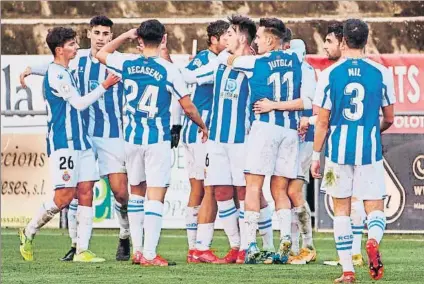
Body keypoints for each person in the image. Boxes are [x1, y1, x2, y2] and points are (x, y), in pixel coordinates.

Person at [20, 15, 132, 262]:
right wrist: (31, 68)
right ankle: (75, 245)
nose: (102, 38)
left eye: (106, 34)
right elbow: (55, 68)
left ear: (111, 36)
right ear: (90, 34)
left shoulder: (119, 62)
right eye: (97, 33)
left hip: (110, 135)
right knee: (71, 195)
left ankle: (122, 235)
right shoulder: (76, 60)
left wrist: (32, 69)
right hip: (80, 136)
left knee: (119, 193)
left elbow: (55, 65)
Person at [96, 19, 208, 266]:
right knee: (156, 195)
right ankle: (149, 254)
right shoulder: (169, 70)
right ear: (163, 40)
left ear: (139, 40)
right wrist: (202, 125)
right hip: (157, 139)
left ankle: (138, 251)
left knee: (137, 192)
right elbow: (187, 106)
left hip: (132, 139)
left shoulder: (126, 62)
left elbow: (101, 53)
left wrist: (125, 35)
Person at [311, 18, 395, 282]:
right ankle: (372, 240)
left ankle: (347, 271)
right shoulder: (381, 73)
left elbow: (322, 122)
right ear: (366, 41)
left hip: (337, 152)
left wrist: (316, 156)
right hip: (369, 151)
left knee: (341, 210)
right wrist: (372, 130)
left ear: (344, 40)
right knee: (375, 207)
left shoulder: (329, 74)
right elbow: (390, 118)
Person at [227, 18, 304, 264]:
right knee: (279, 189)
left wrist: (235, 49)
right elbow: (299, 45)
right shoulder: (296, 57)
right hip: (290, 131)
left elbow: (228, 59)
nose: (255, 42)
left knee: (253, 186)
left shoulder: (254, 62)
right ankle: (284, 240)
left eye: (259, 38)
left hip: (265, 129)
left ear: (270, 41)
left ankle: (250, 244)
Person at [299, 21, 367, 267]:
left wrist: (309, 120)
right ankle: (356, 252)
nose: (325, 46)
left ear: (343, 42)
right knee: (357, 197)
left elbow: (325, 118)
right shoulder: (372, 70)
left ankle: (348, 258)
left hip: (337, 147)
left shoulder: (330, 75)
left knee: (342, 200)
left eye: (329, 41)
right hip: (365, 145)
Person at [253, 38, 317, 265]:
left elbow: (308, 102)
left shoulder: (304, 68)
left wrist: (274, 106)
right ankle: (292, 246)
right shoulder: (291, 65)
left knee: (294, 190)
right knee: (280, 189)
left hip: (304, 135)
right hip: (290, 134)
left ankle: (307, 246)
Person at [176, 20, 229, 263]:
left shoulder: (199, 58)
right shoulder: (212, 61)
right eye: (225, 36)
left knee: (197, 190)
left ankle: (192, 249)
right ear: (214, 40)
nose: (229, 40)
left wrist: (176, 125)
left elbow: (181, 88)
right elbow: (189, 79)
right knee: (210, 189)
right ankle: (201, 247)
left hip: (191, 131)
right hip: (202, 132)